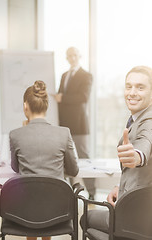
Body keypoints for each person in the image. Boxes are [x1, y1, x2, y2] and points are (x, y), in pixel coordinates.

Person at [82, 65, 152, 233]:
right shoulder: (139, 117)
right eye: (128, 86)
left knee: (84, 217)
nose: (132, 92)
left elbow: (147, 142)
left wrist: (137, 155)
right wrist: (121, 189)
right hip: (144, 206)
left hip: (142, 215)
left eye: (140, 87)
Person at [10, 80, 79, 240]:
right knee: (46, 204)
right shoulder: (64, 133)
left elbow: (15, 168)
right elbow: (74, 170)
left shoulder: (15, 134)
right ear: (47, 106)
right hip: (57, 209)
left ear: (25, 106)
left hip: (25, 210)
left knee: (32, 204)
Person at [54, 46, 96, 200]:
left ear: (79, 56)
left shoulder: (86, 75)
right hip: (63, 124)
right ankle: (73, 191)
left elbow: (83, 97)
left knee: (84, 156)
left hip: (79, 124)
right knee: (67, 158)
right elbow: (60, 97)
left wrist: (62, 98)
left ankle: (92, 191)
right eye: (68, 55)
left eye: (74, 55)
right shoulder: (64, 75)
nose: (71, 58)